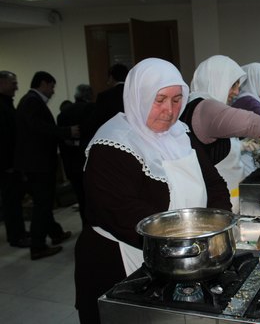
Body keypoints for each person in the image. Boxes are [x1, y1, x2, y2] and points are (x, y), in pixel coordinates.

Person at [74, 58, 232, 324]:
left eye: (176, 99)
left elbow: (214, 183)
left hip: (183, 254)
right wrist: (190, 239)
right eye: (159, 100)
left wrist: (217, 224)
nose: (169, 111)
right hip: (120, 260)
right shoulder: (112, 144)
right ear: (139, 96)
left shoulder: (181, 134)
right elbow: (120, 212)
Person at [180, 55, 260, 213]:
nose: (236, 92)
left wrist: (241, 145)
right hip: (215, 204)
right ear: (217, 80)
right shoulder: (205, 107)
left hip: (226, 197)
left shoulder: (198, 105)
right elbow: (251, 123)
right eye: (233, 85)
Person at [15, 71, 77, 260]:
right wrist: (66, 131)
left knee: (44, 202)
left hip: (35, 163)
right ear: (43, 83)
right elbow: (39, 128)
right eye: (51, 86)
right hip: (38, 163)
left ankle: (55, 233)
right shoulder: (32, 101)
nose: (52, 91)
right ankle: (38, 246)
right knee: (42, 204)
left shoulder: (29, 100)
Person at [0, 71, 30, 248]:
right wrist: (8, 164)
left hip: (13, 163)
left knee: (15, 200)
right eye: (13, 83)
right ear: (2, 83)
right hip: (7, 165)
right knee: (11, 201)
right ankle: (16, 236)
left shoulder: (6, 104)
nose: (17, 87)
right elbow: (3, 139)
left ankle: (19, 231)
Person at [56, 84, 94, 224]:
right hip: (87, 161)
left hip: (71, 163)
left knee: (80, 197)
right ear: (89, 95)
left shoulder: (62, 114)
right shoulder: (90, 109)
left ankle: (85, 226)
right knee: (92, 199)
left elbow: (61, 137)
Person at [80, 63, 128, 150]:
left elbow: (97, 119)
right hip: (134, 139)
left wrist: (81, 130)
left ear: (111, 77)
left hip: (113, 140)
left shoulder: (105, 96)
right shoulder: (136, 94)